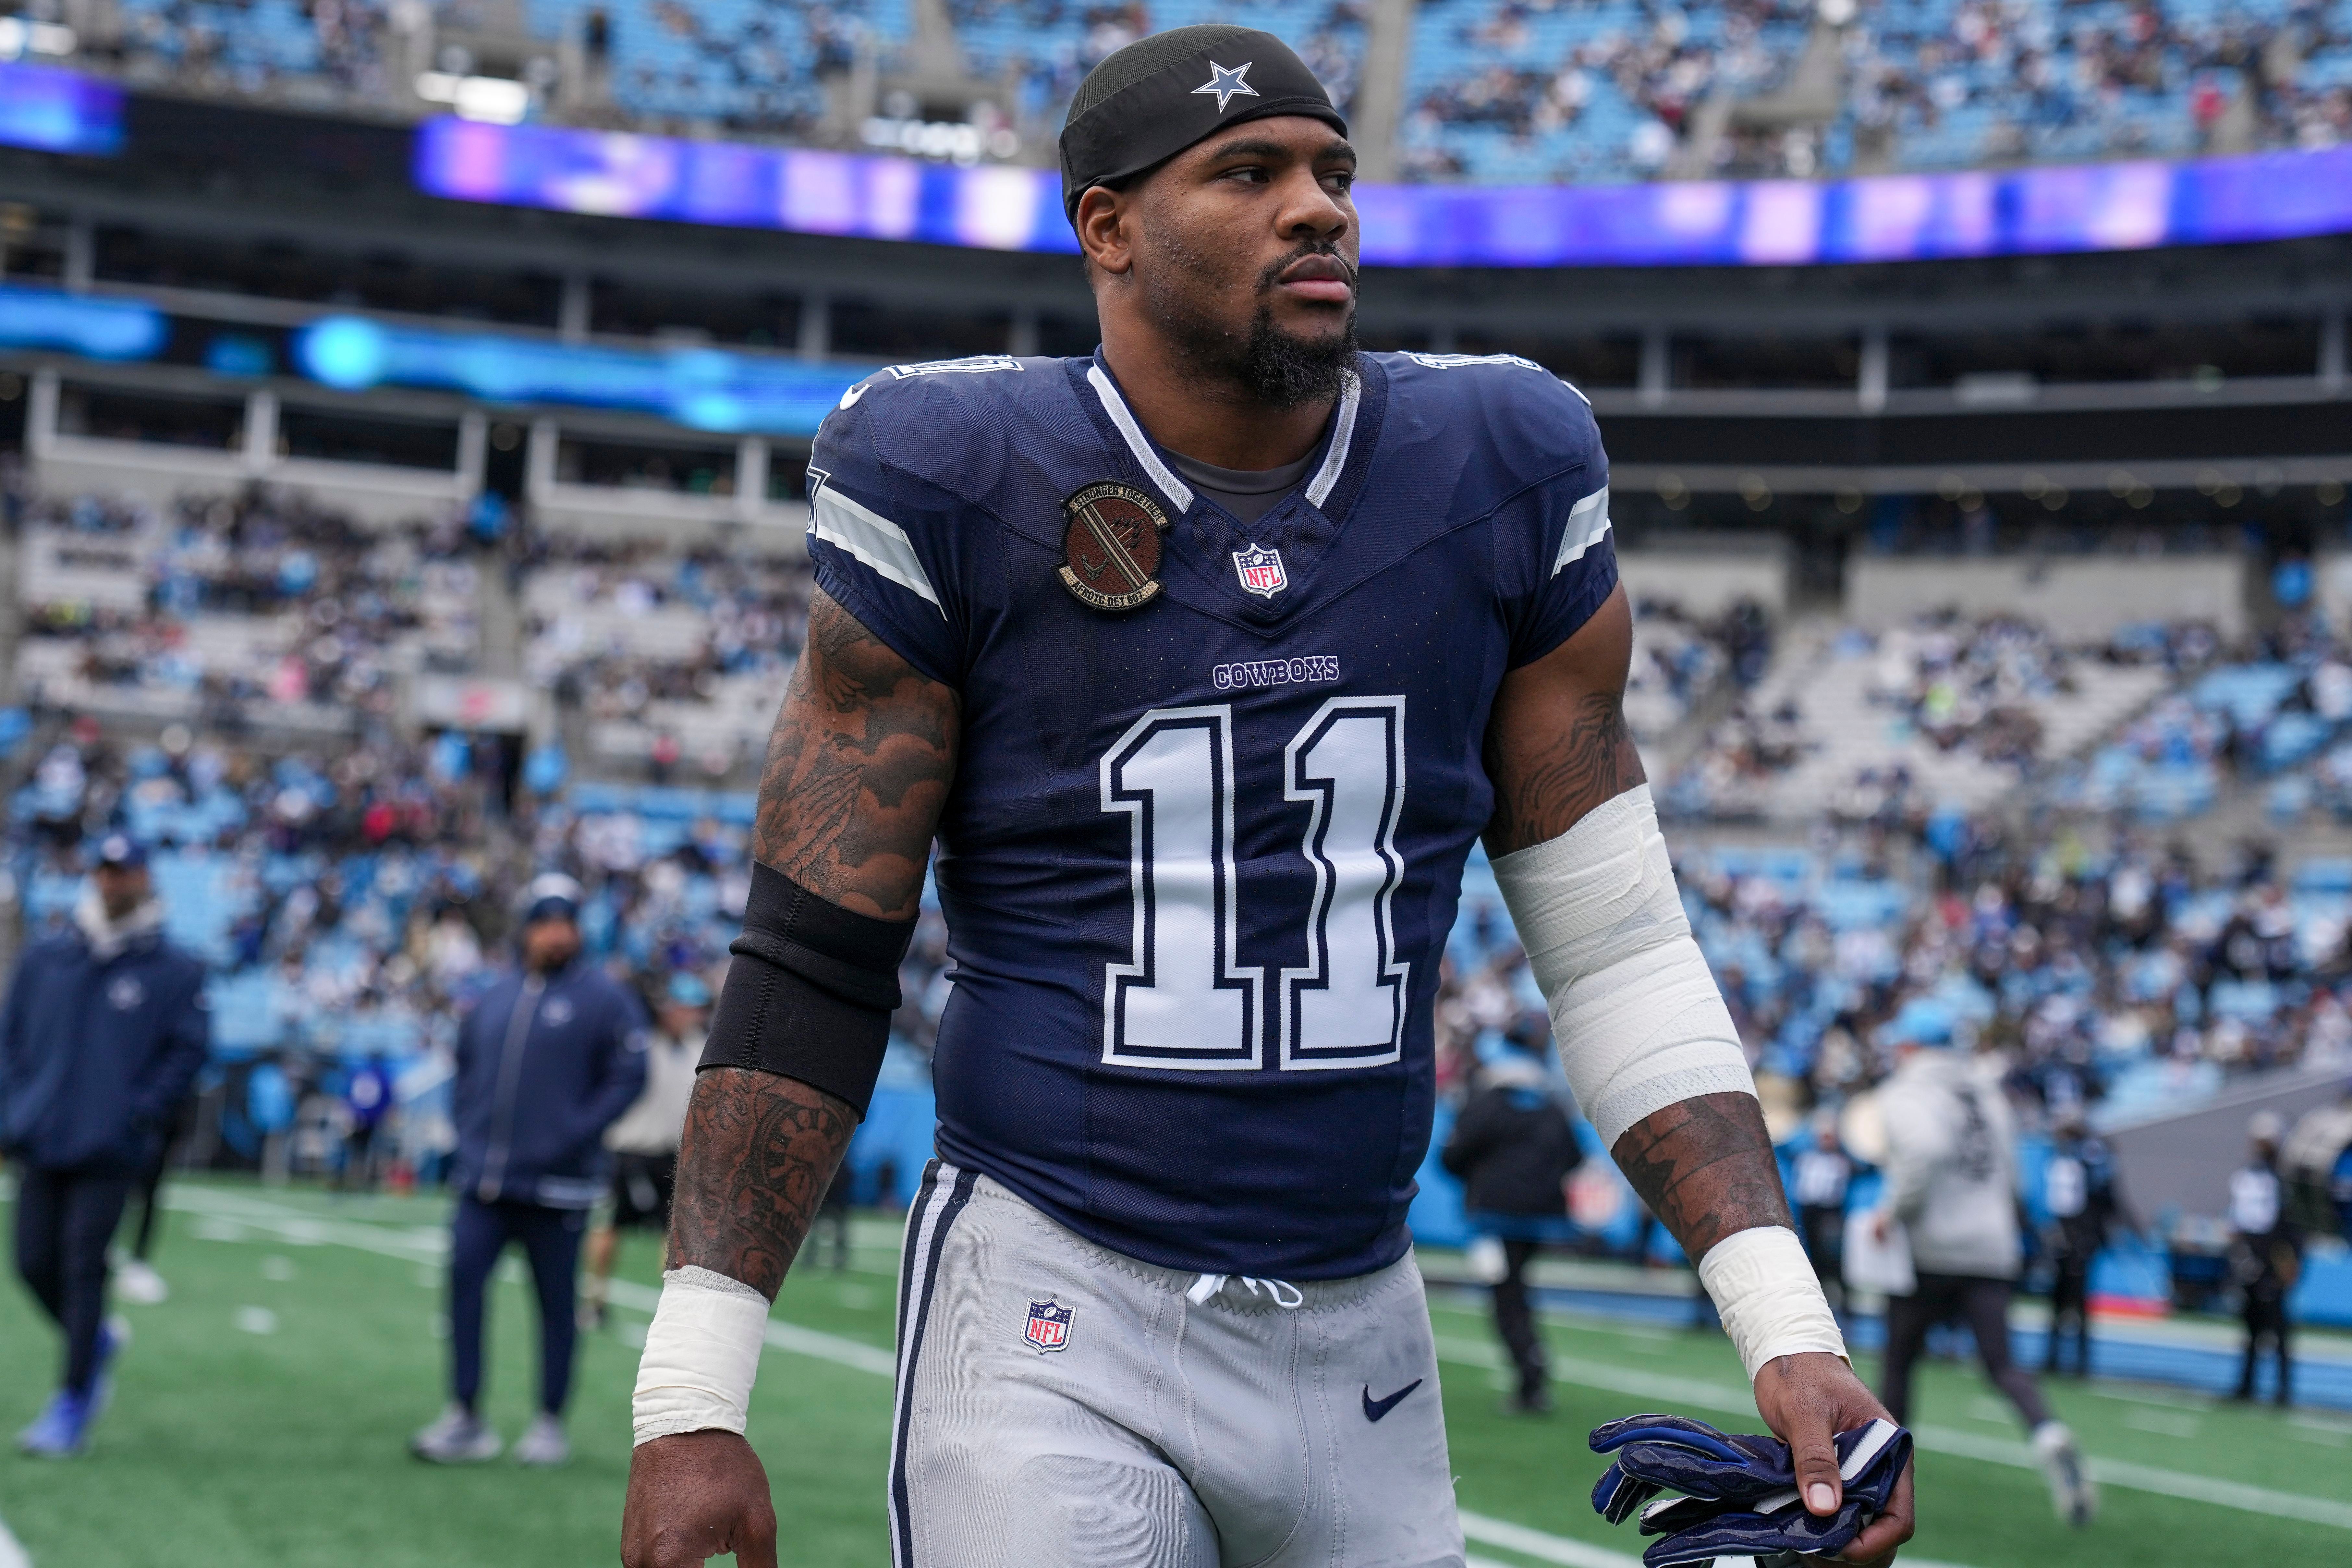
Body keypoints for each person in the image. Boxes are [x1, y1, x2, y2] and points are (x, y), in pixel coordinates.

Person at [622, 26, 1911, 1568]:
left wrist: (1786, 1325)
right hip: (1050, 1297)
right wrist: (692, 1395)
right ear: (1107, 227)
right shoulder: (955, 473)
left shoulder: (1496, 465)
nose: (1318, 208)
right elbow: (817, 957)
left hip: (1360, 1325)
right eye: (1247, 173)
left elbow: (1615, 948)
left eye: (1331, 172)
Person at [410, 875, 646, 1468]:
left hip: (558, 1188)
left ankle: (549, 1420)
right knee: (464, 1288)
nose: (555, 934)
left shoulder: (604, 998)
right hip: (483, 1183)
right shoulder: (496, 995)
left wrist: (573, 1132)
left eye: (565, 922)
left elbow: (629, 1075)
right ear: (526, 927)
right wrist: (468, 1135)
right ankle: (466, 1414)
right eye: (545, 922)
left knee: (556, 1306)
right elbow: (465, 1070)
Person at [0, 834, 208, 1457]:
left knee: (83, 1266)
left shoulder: (174, 968)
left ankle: (72, 1401)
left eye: (124, 871)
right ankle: (93, 1342)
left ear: (144, 877)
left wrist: (138, 1112)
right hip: (43, 1136)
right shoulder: (49, 957)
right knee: (31, 1262)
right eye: (105, 870)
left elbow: (187, 1050)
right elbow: (11, 1038)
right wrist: (16, 1108)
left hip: (110, 1146)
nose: (113, 881)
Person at [1872, 1015, 2092, 1527]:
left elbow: (1923, 1154)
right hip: (1991, 1247)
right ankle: (2047, 1431)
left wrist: (1891, 1214)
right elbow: (2015, 1179)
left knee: (1899, 1363)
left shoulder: (1904, 1093)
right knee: (2003, 1365)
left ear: (1909, 1046)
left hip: (1931, 1250)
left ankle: (1884, 1479)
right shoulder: (1988, 1093)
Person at [1440, 1031, 1583, 1414]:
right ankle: (1530, 1367)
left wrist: (1481, 1180)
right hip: (1540, 1219)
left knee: (1506, 1296)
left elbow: (1452, 1156)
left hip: (1494, 1218)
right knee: (1515, 1289)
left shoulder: (1487, 1104)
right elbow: (1574, 1157)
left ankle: (1530, 1372)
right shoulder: (1550, 1106)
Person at [583, 972, 708, 1330]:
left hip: (672, 1156)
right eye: (684, 1007)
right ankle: (594, 1299)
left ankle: (674, 1310)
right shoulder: (641, 1044)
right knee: (610, 1228)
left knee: (675, 1234)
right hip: (629, 1151)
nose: (690, 1015)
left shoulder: (698, 1047)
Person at [2040, 1109, 2131, 1377]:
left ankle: (2077, 1359)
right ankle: (2057, 1357)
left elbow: (2101, 1194)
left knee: (2076, 1298)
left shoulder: (2086, 1154)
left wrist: (2088, 1232)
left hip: (2080, 1234)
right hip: (2068, 1233)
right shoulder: (2065, 1156)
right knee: (2060, 1298)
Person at [2227, 1111, 2301, 1406]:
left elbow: (2290, 1226)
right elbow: (2240, 1221)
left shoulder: (2283, 1180)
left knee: (2278, 1328)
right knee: (2251, 1326)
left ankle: (2282, 1390)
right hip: (2252, 1258)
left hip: (2273, 1259)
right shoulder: (2247, 1176)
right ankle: (2246, 1384)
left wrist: (2287, 1261)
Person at [1791, 1110, 1854, 1312]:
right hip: (1809, 1212)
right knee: (1812, 1255)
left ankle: (1842, 1301)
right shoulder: (1806, 1157)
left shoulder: (1843, 1160)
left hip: (1830, 1213)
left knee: (1833, 1256)